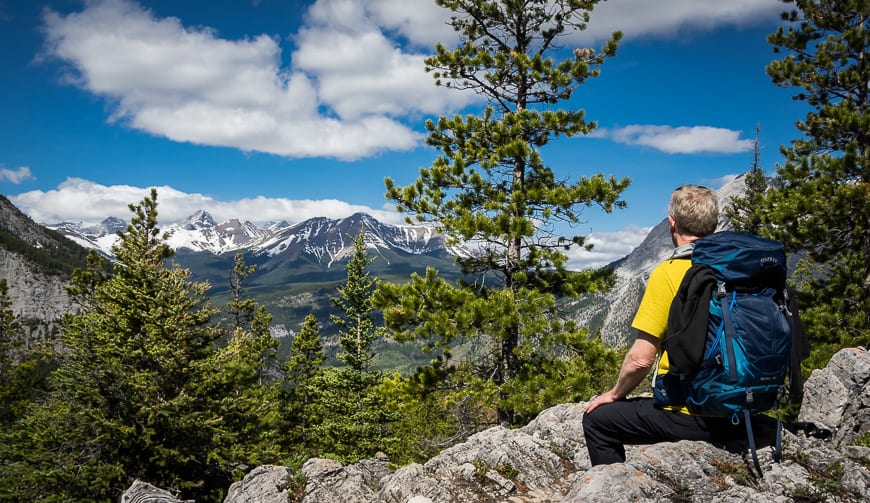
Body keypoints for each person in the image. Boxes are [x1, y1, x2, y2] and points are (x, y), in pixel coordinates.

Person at [582, 184, 757, 465]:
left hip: (692, 413)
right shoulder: (745, 271)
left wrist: (615, 394)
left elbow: (640, 360)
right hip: (746, 409)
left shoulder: (670, 272)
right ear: (714, 224)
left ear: (671, 222)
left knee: (597, 421)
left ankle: (615, 485)